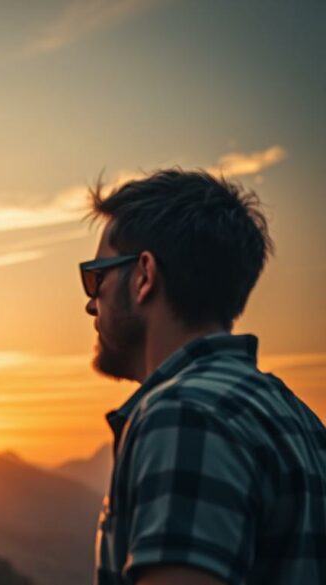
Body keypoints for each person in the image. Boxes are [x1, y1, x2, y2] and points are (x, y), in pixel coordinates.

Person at [82, 169, 326, 585]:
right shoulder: (300, 421)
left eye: (96, 277)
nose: (91, 304)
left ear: (144, 276)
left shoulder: (184, 415)